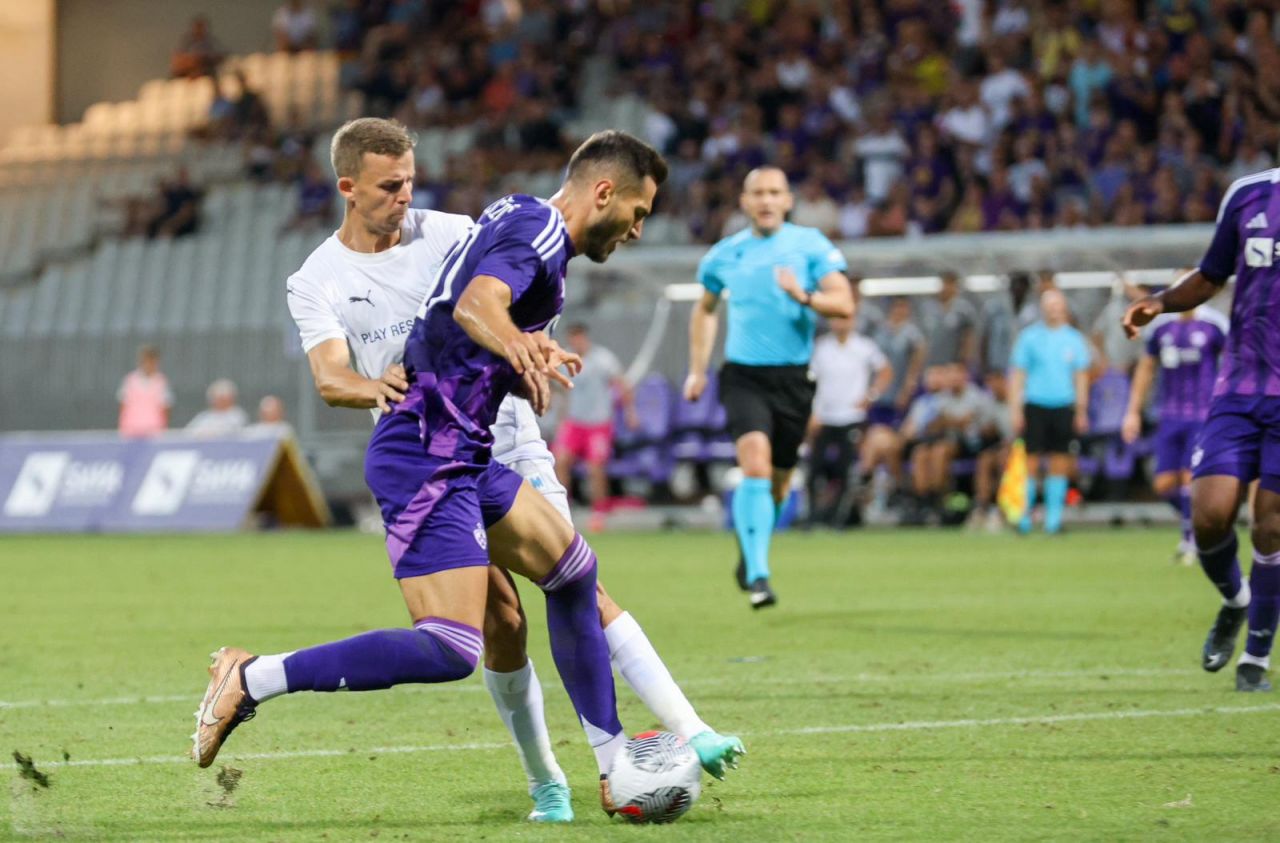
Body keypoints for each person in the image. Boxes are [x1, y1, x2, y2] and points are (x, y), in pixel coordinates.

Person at [194, 124, 742, 820]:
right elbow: (474, 305)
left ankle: (611, 766)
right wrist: (519, 344)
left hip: (470, 447)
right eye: (638, 213)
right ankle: (254, 676)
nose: (637, 230)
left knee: (575, 573)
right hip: (421, 455)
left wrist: (527, 348)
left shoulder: (508, 219)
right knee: (456, 647)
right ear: (604, 193)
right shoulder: (532, 232)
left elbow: (472, 313)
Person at [1122, 167, 1280, 692]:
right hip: (1239, 387)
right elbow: (1211, 275)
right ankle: (1235, 601)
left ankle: (1255, 657)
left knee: (1270, 526)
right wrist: (1161, 302)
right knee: (1209, 515)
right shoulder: (1249, 193)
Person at [685, 166, 854, 608]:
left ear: (788, 200)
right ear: (744, 201)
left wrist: (805, 297)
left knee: (779, 483)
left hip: (793, 381)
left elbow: (844, 303)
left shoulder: (810, 245)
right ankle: (760, 576)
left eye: (775, 192)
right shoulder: (723, 255)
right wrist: (698, 369)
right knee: (755, 464)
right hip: (743, 375)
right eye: (757, 193)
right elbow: (704, 309)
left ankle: (751, 551)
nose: (766, 200)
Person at [1121, 303, 1228, 565]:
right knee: (1164, 484)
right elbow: (1146, 369)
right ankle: (1209, 525)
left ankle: (1191, 540)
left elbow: (1231, 366)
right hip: (1169, 415)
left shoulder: (1215, 324)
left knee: (1189, 480)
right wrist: (1132, 412)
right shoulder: (1160, 327)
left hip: (1203, 415)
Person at [1008, 288, 1091, 534]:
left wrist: (1081, 410)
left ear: (1064, 308)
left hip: (1063, 404)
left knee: (1060, 460)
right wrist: (1015, 410)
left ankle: (1053, 520)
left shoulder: (1074, 339)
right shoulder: (1029, 338)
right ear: (1042, 308)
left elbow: (1081, 377)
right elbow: (1018, 376)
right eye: (1050, 305)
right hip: (1035, 403)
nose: (1054, 309)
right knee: (1031, 461)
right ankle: (1025, 516)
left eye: (1058, 305)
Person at [806, 313, 891, 526]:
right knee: (814, 469)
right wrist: (813, 412)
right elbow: (812, 381)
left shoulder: (864, 346)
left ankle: (838, 519)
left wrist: (871, 395)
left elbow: (886, 371)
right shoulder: (821, 347)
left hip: (851, 417)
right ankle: (812, 517)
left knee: (845, 470)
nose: (839, 324)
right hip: (825, 417)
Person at [552, 324, 635, 532]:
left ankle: (599, 512)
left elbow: (621, 384)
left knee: (595, 468)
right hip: (574, 423)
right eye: (573, 338)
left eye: (579, 337)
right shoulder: (566, 361)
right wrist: (562, 419)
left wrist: (630, 412)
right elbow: (564, 392)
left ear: (585, 337)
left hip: (598, 424)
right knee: (559, 461)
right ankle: (563, 509)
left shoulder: (603, 359)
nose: (576, 342)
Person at [117, 345, 172, 438]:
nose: (149, 364)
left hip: (154, 430)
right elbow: (123, 404)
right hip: (131, 429)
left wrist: (163, 428)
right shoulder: (130, 380)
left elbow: (165, 407)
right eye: (147, 360)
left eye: (152, 361)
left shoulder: (161, 381)